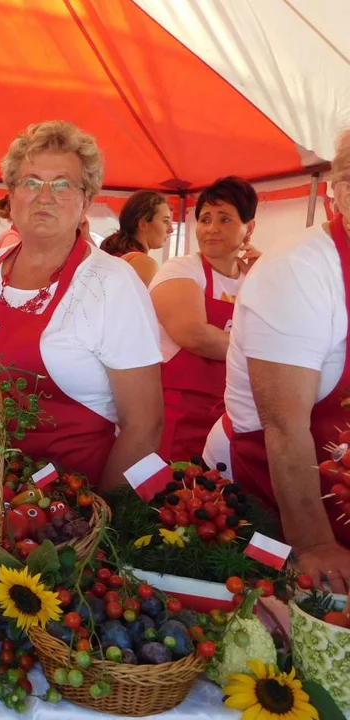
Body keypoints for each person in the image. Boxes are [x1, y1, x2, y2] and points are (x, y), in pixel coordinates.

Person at [0, 120, 163, 491]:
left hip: (52, 521)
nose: (44, 196)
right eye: (30, 182)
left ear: (86, 199)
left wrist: (100, 526)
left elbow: (144, 426)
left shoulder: (111, 284)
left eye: (63, 184)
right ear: (12, 195)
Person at [203, 129, 350, 591]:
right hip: (266, 483)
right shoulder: (299, 270)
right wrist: (313, 546)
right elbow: (284, 426)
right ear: (340, 190)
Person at [151, 177, 260, 464]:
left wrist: (268, 274)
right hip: (175, 410)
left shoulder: (256, 277)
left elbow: (286, 332)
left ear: (249, 228)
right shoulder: (181, 269)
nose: (211, 228)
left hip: (232, 413)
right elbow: (194, 335)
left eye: (225, 219)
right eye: (205, 219)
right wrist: (262, 353)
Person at [100, 190, 173, 286]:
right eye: (165, 221)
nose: (171, 229)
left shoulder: (112, 253)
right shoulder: (144, 264)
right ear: (143, 224)